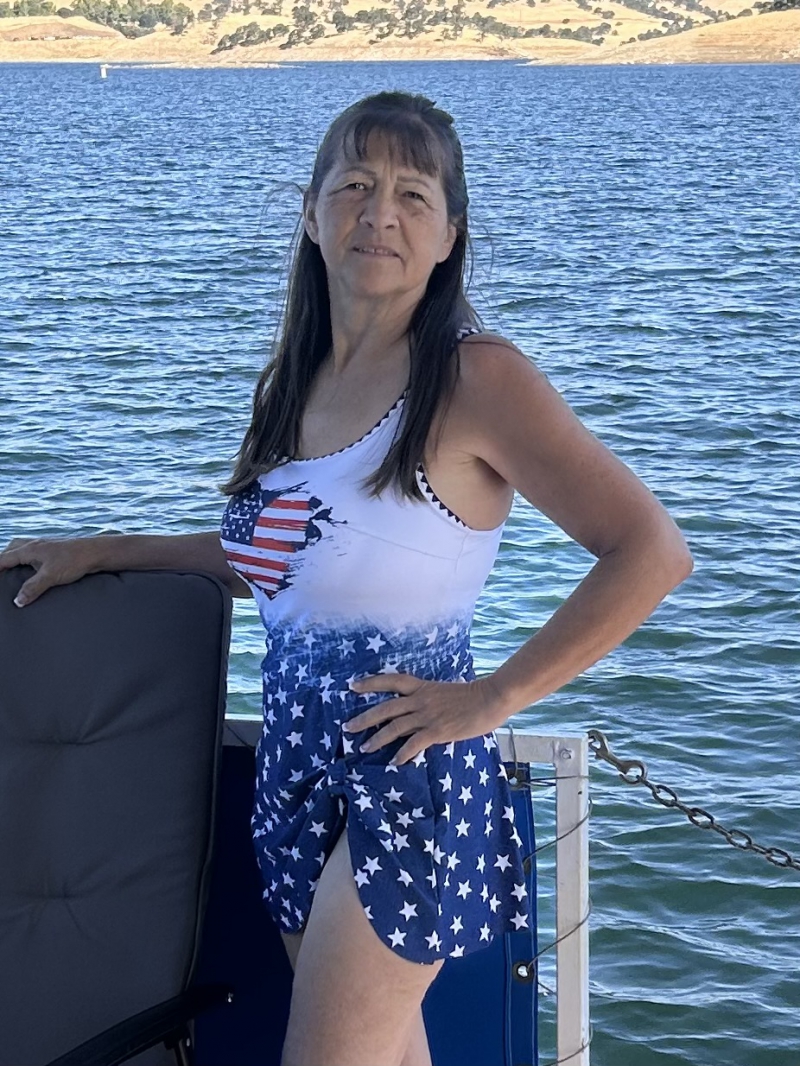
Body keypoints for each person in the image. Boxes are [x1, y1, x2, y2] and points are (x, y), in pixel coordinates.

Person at [0, 90, 693, 1066]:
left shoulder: (475, 378)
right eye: (356, 185)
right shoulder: (297, 385)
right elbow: (283, 565)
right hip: (292, 766)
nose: (380, 214)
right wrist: (108, 549)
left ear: (450, 235)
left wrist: (492, 698)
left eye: (413, 195)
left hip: (406, 771)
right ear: (310, 211)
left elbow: (650, 551)